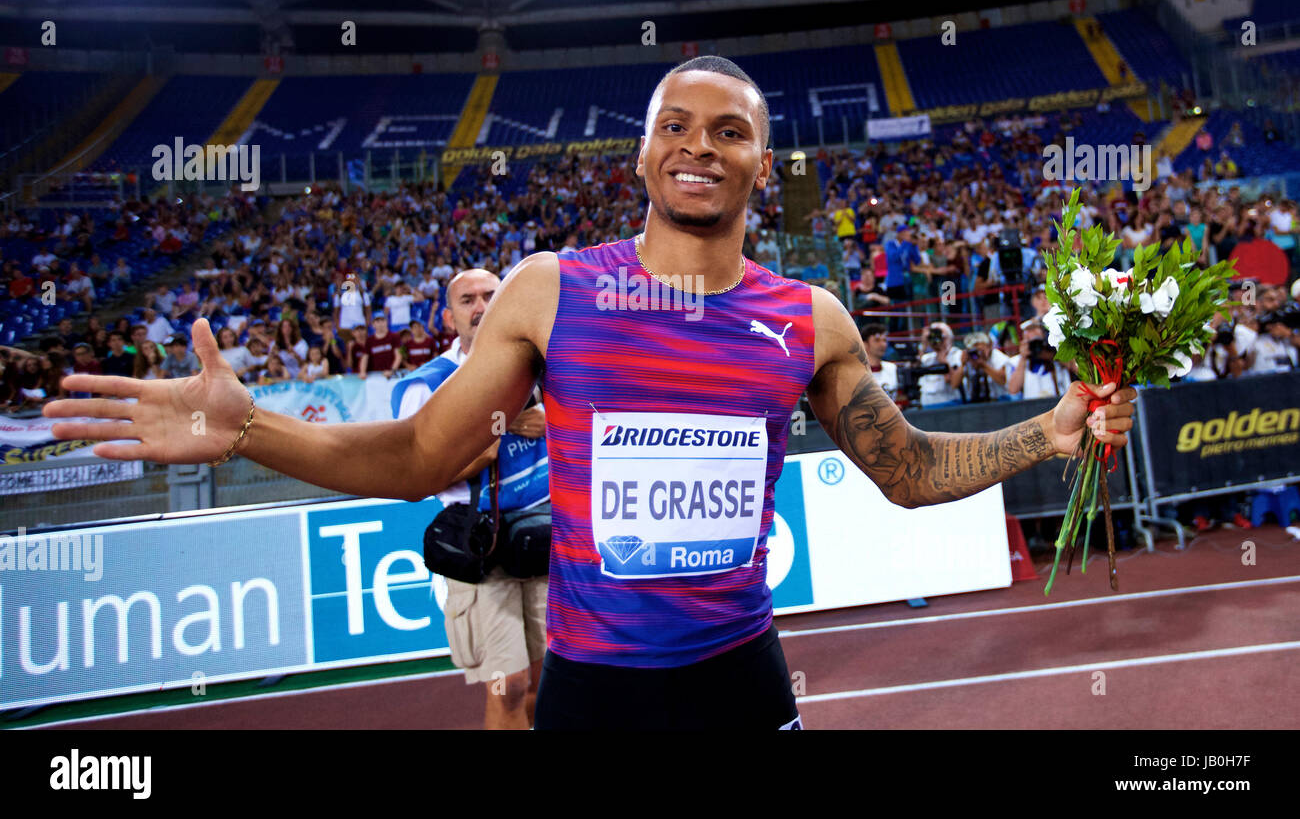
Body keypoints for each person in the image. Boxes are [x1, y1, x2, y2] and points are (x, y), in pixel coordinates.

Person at [47, 55, 1136, 731]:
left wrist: (1047, 430)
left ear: (765, 161)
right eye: (675, 124)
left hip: (741, 686)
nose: (698, 146)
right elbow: (421, 457)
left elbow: (905, 472)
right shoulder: (552, 291)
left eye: (728, 130)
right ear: (641, 156)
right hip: (595, 696)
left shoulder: (809, 318)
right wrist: (249, 427)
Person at [390, 269, 551, 730]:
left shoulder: (543, 369)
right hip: (482, 553)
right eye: (467, 300)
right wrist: (502, 429)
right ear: (448, 316)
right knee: (510, 687)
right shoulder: (427, 385)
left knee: (546, 684)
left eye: (490, 296)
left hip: (544, 543)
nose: (481, 307)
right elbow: (418, 476)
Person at [918, 321, 963, 408]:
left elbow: (953, 382)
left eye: (942, 337)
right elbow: (918, 364)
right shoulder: (928, 358)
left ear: (950, 338)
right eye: (932, 337)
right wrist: (924, 344)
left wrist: (943, 361)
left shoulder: (957, 355)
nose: (937, 341)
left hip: (948, 403)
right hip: (927, 405)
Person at [859, 322, 898, 402]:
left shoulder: (892, 368)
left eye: (884, 340)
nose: (883, 344)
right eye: (877, 340)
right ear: (864, 344)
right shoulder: (857, 372)